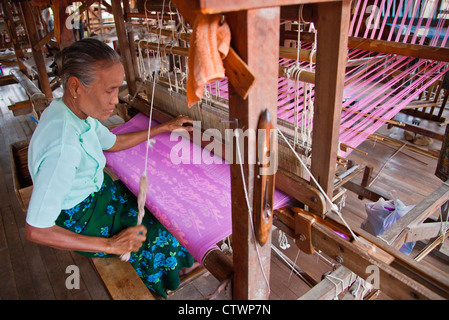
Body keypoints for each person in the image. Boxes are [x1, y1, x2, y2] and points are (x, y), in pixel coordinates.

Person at [26, 38, 195, 298]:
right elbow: (37, 229)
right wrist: (111, 244)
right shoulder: (63, 148)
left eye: (118, 89)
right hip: (80, 221)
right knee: (161, 231)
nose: (116, 100)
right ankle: (160, 281)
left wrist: (163, 127)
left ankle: (171, 266)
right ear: (75, 87)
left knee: (160, 206)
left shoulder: (74, 113)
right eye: (109, 90)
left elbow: (113, 142)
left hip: (98, 196)